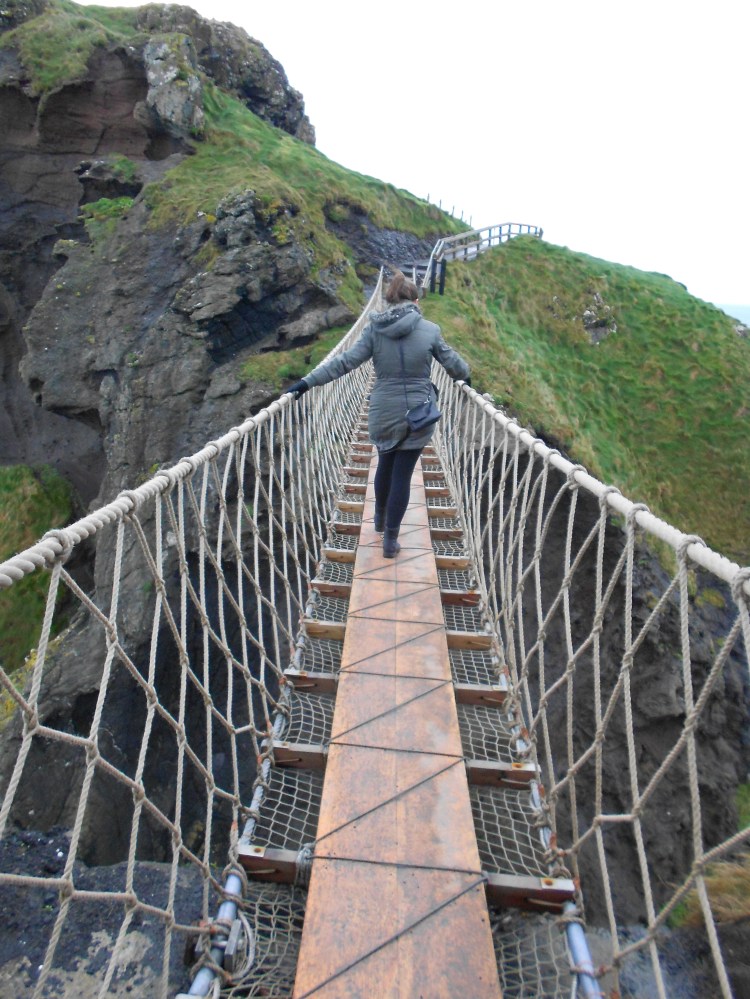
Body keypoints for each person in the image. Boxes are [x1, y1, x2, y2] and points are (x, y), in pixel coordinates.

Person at [287, 271, 471, 558]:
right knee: (403, 475)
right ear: (416, 301)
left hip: (382, 412)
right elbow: (455, 365)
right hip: (419, 415)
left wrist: (306, 383)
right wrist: (466, 380)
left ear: (389, 301)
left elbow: (344, 362)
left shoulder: (374, 330)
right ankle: (391, 541)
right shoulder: (430, 330)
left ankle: (379, 520)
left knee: (385, 463)